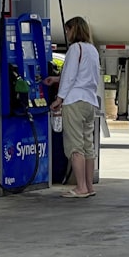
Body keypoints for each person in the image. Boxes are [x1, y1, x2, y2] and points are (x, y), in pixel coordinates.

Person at [44, 16, 102, 198]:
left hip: (74, 101)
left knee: (75, 146)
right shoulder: (92, 50)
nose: (67, 33)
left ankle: (80, 188)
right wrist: (56, 79)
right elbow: (85, 76)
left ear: (74, 30)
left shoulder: (74, 49)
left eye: (68, 30)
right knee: (88, 145)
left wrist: (58, 99)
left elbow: (70, 76)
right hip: (90, 101)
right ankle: (89, 187)